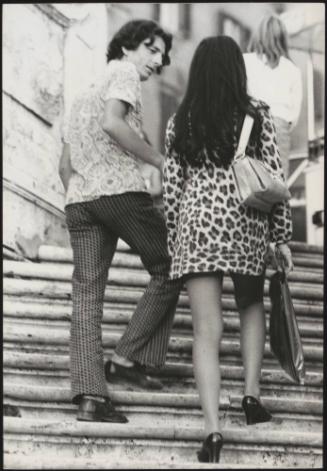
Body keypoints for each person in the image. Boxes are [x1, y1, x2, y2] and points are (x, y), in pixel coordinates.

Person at [162, 36, 294, 463]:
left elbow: (171, 187)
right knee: (251, 305)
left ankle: (213, 432)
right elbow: (275, 184)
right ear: (238, 69)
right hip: (246, 224)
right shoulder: (256, 115)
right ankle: (251, 397)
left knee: (206, 330)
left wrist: (173, 239)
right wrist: (281, 238)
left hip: (197, 224)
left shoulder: (180, 120)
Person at [59, 19, 182, 424]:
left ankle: (91, 396)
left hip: (80, 199)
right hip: (119, 194)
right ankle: (129, 357)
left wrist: (81, 191)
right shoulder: (123, 72)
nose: (157, 59)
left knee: (87, 296)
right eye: (151, 48)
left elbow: (65, 163)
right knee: (172, 263)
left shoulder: (81, 95)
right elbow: (113, 123)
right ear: (127, 46)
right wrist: (159, 160)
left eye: (161, 55)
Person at [243, 14, 303, 178]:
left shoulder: (245, 62)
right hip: (279, 129)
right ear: (283, 39)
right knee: (278, 187)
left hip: (251, 125)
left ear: (258, 35)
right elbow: (294, 116)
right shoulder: (293, 70)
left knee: (249, 185)